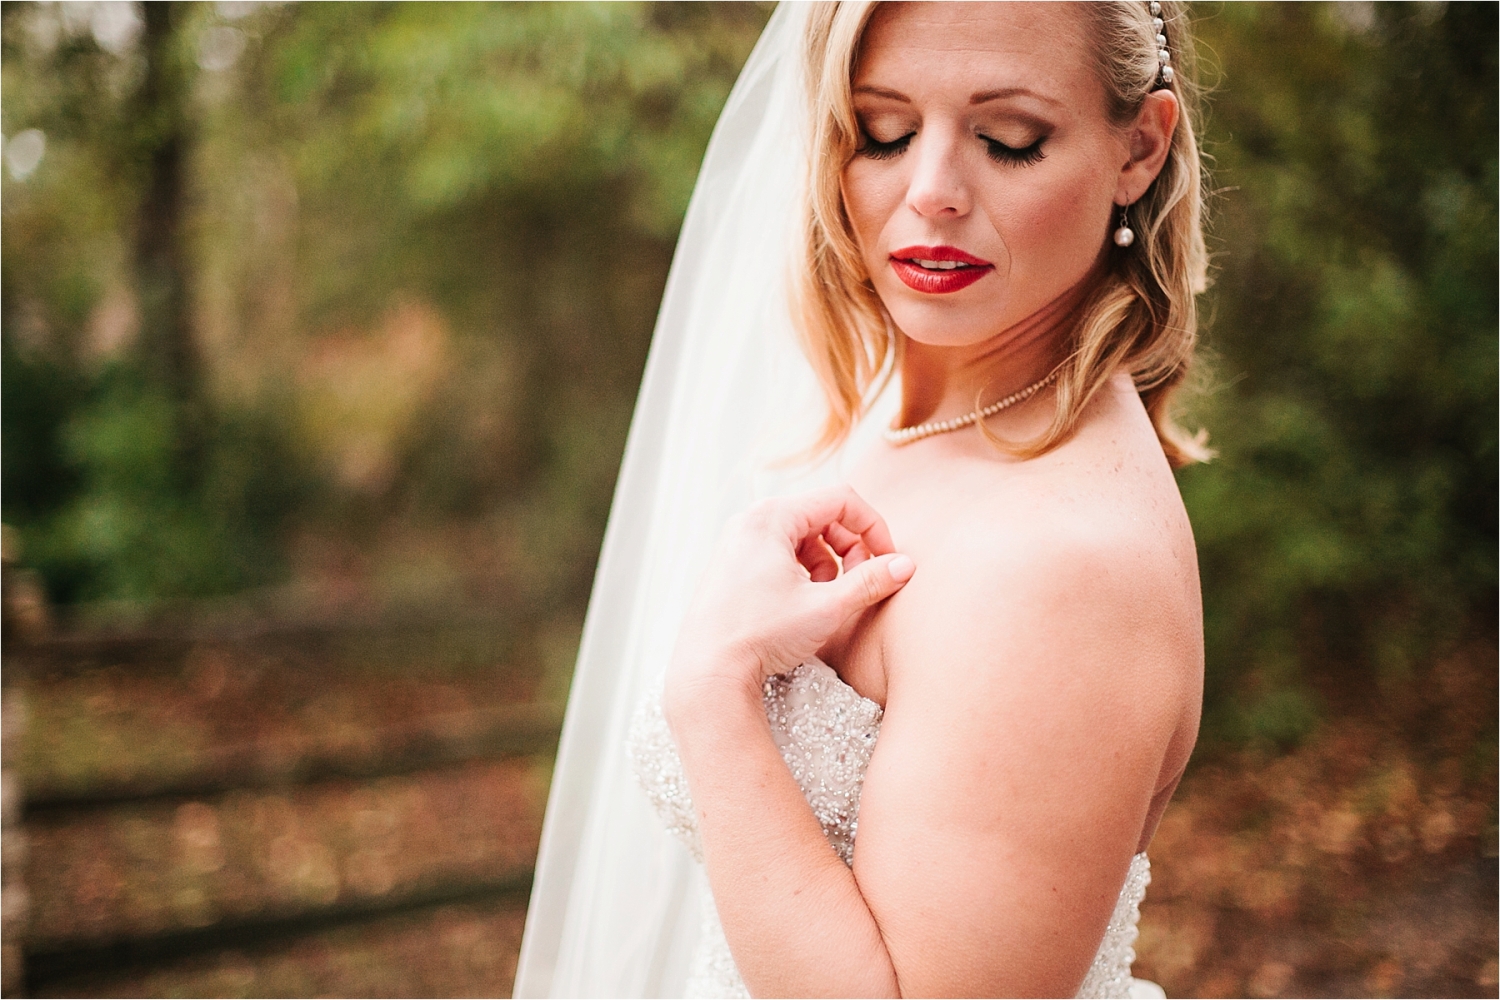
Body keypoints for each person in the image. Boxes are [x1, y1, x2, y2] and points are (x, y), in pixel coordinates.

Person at [515, 2, 1207, 997]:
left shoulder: (1065, 565)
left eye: (1009, 140)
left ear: (1139, 148)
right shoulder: (880, 401)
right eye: (882, 130)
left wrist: (717, 696)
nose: (930, 193)